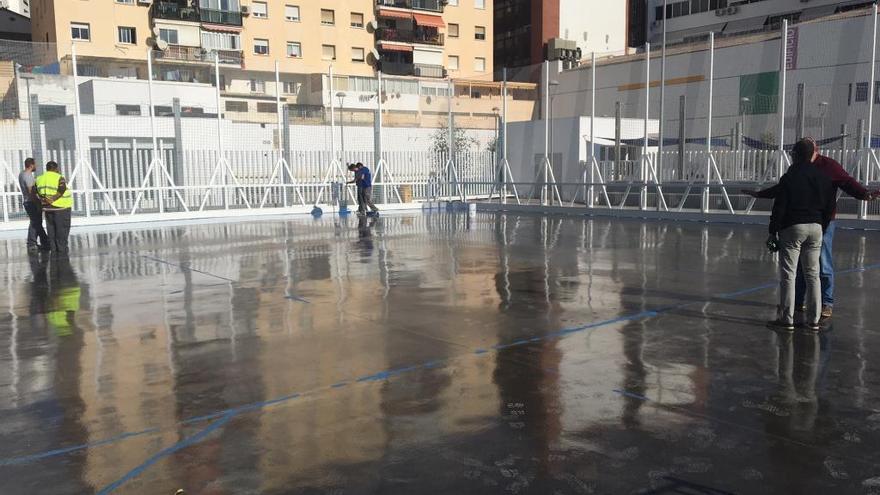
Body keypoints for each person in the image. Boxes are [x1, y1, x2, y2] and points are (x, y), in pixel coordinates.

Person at [744, 138, 880, 318]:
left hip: (822, 222)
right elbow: (784, 189)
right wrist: (760, 194)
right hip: (814, 224)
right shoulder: (802, 169)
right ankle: (800, 304)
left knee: (821, 265)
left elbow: (847, 182)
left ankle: (825, 303)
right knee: (805, 267)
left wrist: (864, 194)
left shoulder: (827, 167)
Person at [767, 139, 836, 332]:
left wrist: (773, 231)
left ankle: (787, 319)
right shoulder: (823, 177)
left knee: (789, 274)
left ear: (796, 155)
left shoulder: (790, 177)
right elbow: (830, 206)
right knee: (813, 274)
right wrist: (822, 225)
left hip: (793, 227)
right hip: (816, 228)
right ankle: (813, 320)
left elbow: (779, 206)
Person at [35, 161, 74, 256]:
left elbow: (36, 192)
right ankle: (62, 251)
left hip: (48, 209)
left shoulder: (39, 179)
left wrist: (44, 200)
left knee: (51, 229)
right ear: (55, 168)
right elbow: (62, 189)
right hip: (61, 208)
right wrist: (52, 199)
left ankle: (54, 249)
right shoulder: (59, 177)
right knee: (62, 229)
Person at [18, 157, 49, 253]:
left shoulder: (22, 174)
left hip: (28, 202)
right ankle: (34, 243)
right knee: (36, 223)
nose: (36, 166)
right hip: (31, 202)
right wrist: (38, 203)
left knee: (35, 223)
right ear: (31, 165)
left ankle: (40, 242)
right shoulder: (27, 175)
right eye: (35, 164)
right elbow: (31, 191)